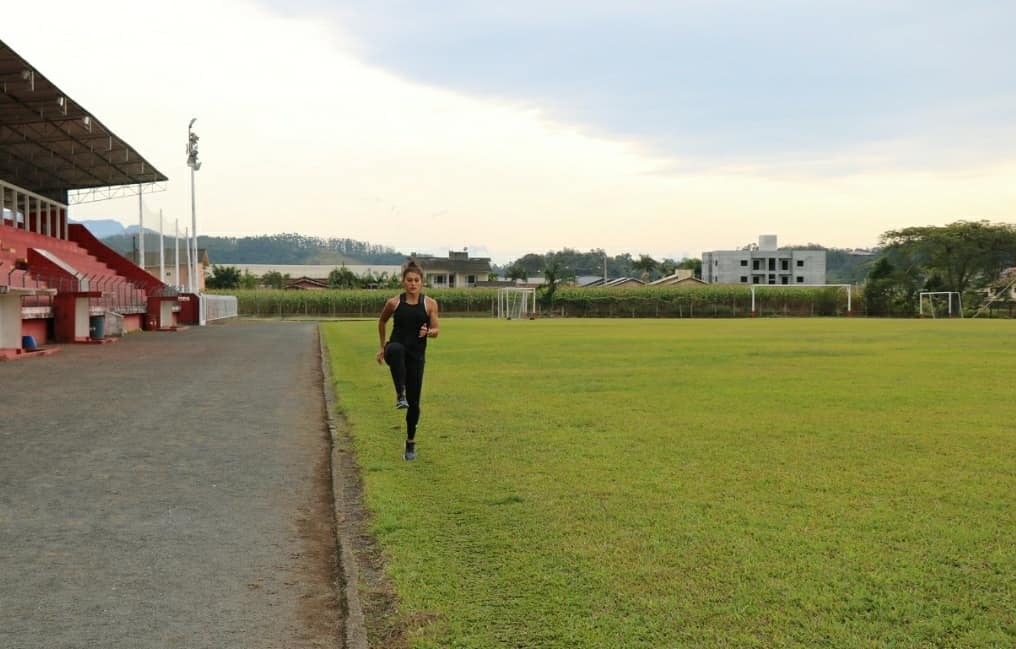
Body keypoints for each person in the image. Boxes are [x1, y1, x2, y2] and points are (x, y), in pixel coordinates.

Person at [376, 259, 440, 460]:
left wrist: (428, 331)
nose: (413, 283)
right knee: (396, 349)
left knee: (415, 404)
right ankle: (399, 394)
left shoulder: (429, 304)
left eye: (416, 280)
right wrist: (382, 346)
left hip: (417, 356)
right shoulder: (393, 303)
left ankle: (410, 442)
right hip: (395, 350)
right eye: (409, 280)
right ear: (403, 282)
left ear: (422, 283)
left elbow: (437, 330)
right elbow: (382, 321)